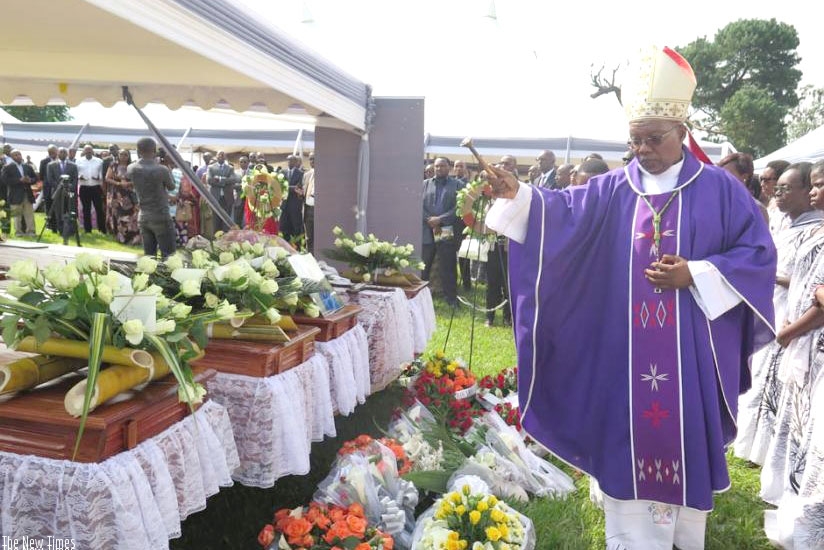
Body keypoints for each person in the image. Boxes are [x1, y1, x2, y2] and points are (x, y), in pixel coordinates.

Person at [485, 46, 775, 550]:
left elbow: (757, 254)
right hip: (624, 355)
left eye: (653, 139)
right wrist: (520, 195)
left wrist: (698, 272)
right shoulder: (611, 189)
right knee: (627, 455)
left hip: (690, 358)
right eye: (634, 140)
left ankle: (683, 537)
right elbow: (560, 215)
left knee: (680, 450)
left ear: (682, 134)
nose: (642, 149)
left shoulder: (722, 191)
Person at [422, 157, 461, 307]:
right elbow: (418, 204)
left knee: (447, 266)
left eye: (442, 166)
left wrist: (440, 220)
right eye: (437, 166)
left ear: (449, 168)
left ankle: (451, 299)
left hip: (445, 229)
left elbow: (459, 208)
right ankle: (421, 300)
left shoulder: (457, 185)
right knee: (424, 266)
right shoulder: (425, 184)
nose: (439, 169)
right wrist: (430, 220)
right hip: (427, 229)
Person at [128, 137, 176, 258]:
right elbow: (171, 186)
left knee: (149, 257)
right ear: (154, 150)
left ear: (138, 151)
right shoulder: (162, 169)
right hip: (161, 215)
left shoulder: (131, 168)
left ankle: (150, 277)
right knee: (168, 256)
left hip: (144, 215)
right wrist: (168, 169)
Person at [104, 149, 140, 245]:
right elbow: (107, 178)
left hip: (129, 195)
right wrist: (118, 183)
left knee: (130, 215)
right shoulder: (113, 165)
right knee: (117, 215)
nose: (123, 156)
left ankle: (131, 238)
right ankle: (119, 237)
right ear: (118, 155)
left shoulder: (132, 166)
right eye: (121, 154)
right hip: (116, 195)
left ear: (129, 156)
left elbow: (138, 180)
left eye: (125, 154)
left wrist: (129, 183)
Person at [1, 150, 37, 237]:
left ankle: (31, 232)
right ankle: (18, 232)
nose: (18, 156)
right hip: (15, 194)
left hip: (27, 194)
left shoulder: (27, 167)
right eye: (16, 155)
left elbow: (35, 178)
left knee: (29, 214)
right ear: (12, 157)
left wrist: (30, 180)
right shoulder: (8, 167)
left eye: (19, 154)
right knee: (17, 215)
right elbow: (5, 181)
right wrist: (19, 180)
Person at [75, 144, 105, 233]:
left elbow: (102, 173)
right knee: (86, 209)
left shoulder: (99, 161)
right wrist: (79, 176)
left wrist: (98, 177)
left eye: (90, 150)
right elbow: (76, 173)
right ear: (84, 151)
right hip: (84, 187)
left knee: (99, 209)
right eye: (86, 150)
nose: (88, 152)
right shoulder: (78, 161)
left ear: (92, 151)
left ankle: (102, 229)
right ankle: (88, 229)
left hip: (96, 187)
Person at [280, 154, 305, 242]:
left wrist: (287, 187)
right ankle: (286, 246)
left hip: (295, 206)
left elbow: (298, 187)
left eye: (291, 160)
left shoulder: (301, 174)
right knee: (283, 227)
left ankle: (296, 248)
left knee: (296, 228)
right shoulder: (282, 173)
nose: (289, 162)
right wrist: (292, 188)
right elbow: (279, 186)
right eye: (288, 160)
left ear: (295, 162)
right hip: (284, 205)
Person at [303, 153, 316, 253]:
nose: (312, 161)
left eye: (314, 159)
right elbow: (305, 191)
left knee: (318, 236)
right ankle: (310, 257)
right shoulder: (307, 174)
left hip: (319, 210)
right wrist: (301, 193)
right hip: (308, 209)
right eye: (310, 159)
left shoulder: (326, 175)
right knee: (309, 237)